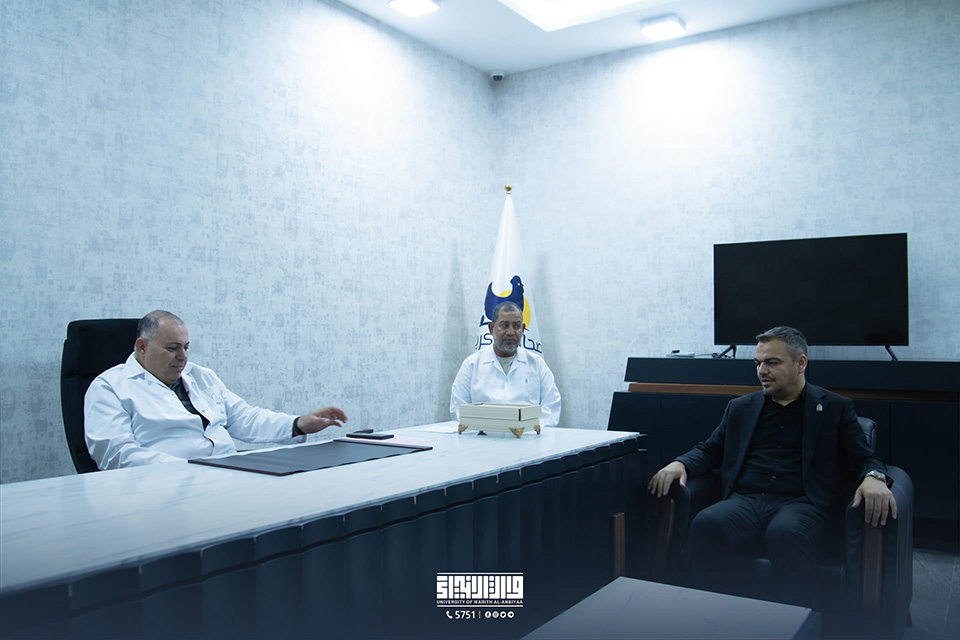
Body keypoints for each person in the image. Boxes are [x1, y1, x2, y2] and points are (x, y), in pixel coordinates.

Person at [647, 326, 896, 607]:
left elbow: (864, 458)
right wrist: (680, 463)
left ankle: (801, 620)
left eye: (772, 363)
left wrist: (874, 477)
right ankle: (707, 614)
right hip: (746, 500)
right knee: (706, 524)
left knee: (785, 534)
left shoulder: (836, 408)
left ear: (801, 363)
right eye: (758, 363)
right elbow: (710, 449)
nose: (762, 371)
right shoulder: (741, 407)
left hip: (801, 502)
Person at [85, 310, 347, 469]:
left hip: (227, 477)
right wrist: (192, 470)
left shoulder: (201, 377)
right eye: (172, 348)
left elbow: (244, 417)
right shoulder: (109, 387)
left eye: (186, 347)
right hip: (163, 490)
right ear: (142, 347)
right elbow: (117, 455)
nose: (183, 357)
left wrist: (298, 424)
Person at [450, 301, 561, 428]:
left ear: (523, 329)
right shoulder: (471, 365)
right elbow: (459, 411)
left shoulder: (536, 364)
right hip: (483, 438)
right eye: (504, 325)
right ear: (491, 328)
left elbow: (551, 410)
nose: (510, 332)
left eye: (516, 326)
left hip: (527, 438)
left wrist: (530, 432)